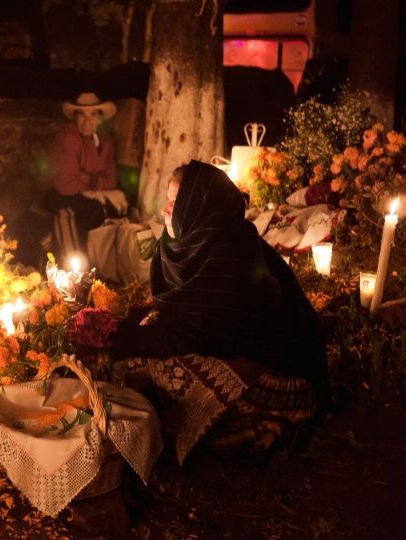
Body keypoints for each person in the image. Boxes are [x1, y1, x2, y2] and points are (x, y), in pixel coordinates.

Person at [110, 160, 330, 463]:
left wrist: (120, 337)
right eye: (168, 198)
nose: (164, 209)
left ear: (199, 205)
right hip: (223, 348)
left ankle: (267, 423)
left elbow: (197, 335)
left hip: (276, 372)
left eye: (175, 200)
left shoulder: (232, 251)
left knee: (162, 384)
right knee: (143, 367)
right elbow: (178, 308)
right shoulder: (182, 244)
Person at [41, 92, 126, 259]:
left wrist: (88, 179)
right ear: (75, 117)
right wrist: (95, 189)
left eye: (93, 115)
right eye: (82, 115)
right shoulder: (68, 138)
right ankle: (73, 261)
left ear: (100, 118)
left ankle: (100, 259)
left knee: (118, 208)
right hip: (58, 194)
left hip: (88, 194)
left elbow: (111, 181)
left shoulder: (106, 142)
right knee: (87, 210)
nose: (87, 122)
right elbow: (65, 184)